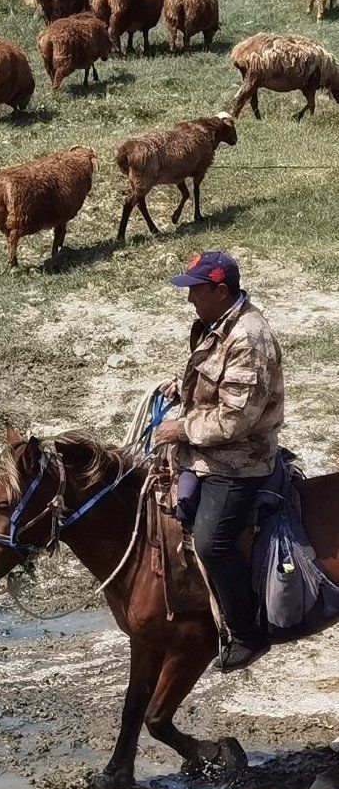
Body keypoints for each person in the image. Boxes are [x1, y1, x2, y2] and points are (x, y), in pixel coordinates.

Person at [153, 250, 285, 672]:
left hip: (241, 460)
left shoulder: (249, 338)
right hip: (211, 450)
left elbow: (238, 418)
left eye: (196, 290)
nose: (190, 298)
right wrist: (182, 389)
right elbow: (216, 385)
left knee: (212, 540)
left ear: (221, 290)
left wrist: (182, 428)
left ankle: (248, 633)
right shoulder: (217, 324)